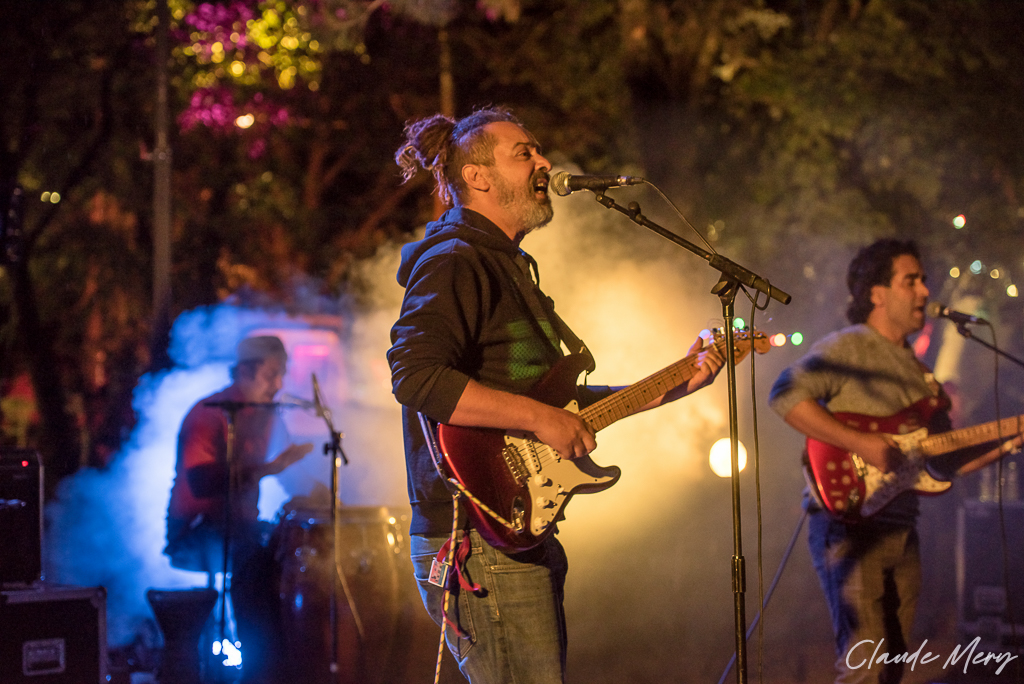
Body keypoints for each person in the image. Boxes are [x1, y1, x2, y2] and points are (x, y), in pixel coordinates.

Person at [387, 106, 725, 684]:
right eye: (525, 153)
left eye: (539, 150)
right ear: (477, 177)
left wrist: (674, 384)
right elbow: (415, 375)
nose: (544, 162)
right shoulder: (453, 261)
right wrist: (541, 419)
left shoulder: (505, 264)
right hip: (476, 535)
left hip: (511, 529)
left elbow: (556, 407)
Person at [769, 239, 948, 683]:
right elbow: (785, 394)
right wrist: (860, 443)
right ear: (877, 293)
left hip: (903, 526)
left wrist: (1005, 443)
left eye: (924, 280)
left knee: (893, 670)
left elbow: (944, 461)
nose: (925, 290)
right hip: (849, 526)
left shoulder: (920, 371)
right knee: (863, 669)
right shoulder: (850, 347)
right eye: (911, 281)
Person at [165, 335, 312, 684]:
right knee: (256, 561)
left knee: (295, 549)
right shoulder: (209, 413)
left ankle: (295, 662)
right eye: (271, 375)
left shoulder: (269, 416)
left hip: (243, 529)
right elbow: (201, 482)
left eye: (281, 375)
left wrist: (325, 497)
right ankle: (262, 670)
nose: (278, 385)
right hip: (196, 530)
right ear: (245, 371)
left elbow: (291, 475)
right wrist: (269, 469)